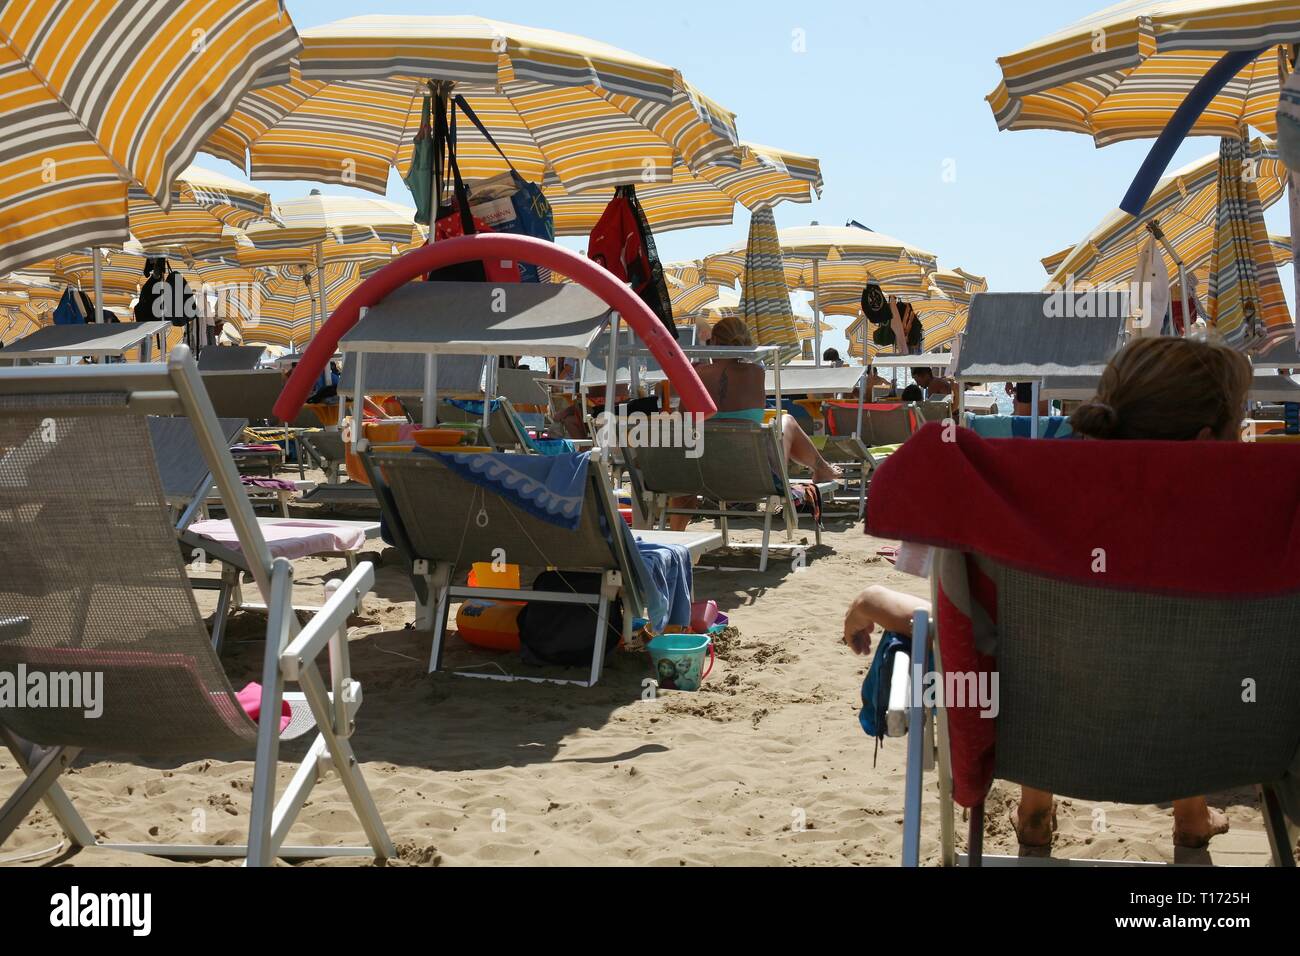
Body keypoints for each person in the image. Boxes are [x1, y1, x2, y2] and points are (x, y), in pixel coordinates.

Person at [844, 335, 1253, 852]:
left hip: (1042, 735)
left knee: (1039, 643)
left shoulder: (1030, 507)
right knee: (1190, 657)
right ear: (1205, 440)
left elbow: (962, 631)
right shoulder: (1256, 526)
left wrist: (874, 601)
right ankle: (1191, 816)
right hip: (1189, 733)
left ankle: (1034, 810)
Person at [666, 316, 841, 530]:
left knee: (689, 468)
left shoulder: (695, 375)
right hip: (752, 479)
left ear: (714, 343)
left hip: (701, 478)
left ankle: (676, 534)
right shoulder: (756, 374)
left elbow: (683, 421)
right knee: (785, 421)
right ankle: (821, 466)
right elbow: (753, 413)